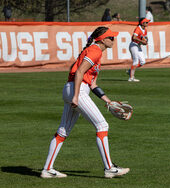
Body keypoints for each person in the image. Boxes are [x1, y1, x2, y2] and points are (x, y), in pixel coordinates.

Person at [41, 27, 130, 179]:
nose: (113, 40)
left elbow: (93, 84)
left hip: (73, 89)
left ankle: (47, 169)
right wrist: (76, 96)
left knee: (63, 131)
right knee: (102, 125)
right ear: (103, 39)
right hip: (77, 90)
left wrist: (107, 101)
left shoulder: (96, 53)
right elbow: (79, 72)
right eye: (111, 38)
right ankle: (109, 168)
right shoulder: (95, 50)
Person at [127, 17, 150, 82]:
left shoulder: (145, 29)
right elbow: (134, 37)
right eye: (146, 22)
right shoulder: (138, 28)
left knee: (143, 62)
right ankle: (131, 78)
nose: (147, 23)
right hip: (133, 45)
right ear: (142, 23)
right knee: (135, 61)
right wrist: (142, 41)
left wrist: (145, 41)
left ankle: (130, 71)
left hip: (138, 45)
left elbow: (145, 37)